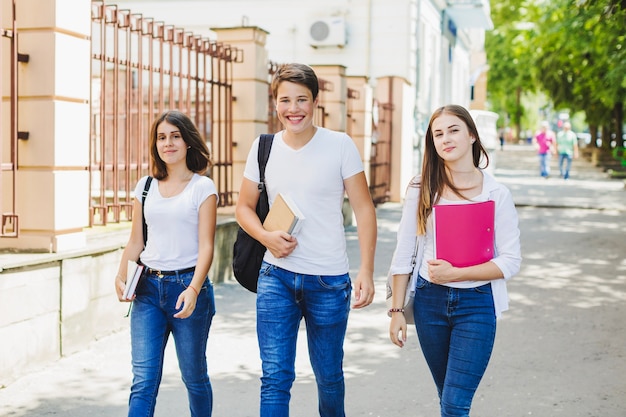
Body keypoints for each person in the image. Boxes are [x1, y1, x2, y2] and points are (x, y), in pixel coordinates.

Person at [235, 63, 377, 417]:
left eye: (301, 99)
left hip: (328, 280)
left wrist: (367, 271)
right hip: (276, 277)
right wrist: (267, 237)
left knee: (328, 376)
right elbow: (243, 208)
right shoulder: (263, 148)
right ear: (274, 103)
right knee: (275, 377)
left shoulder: (340, 145)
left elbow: (364, 209)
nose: (293, 108)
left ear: (315, 101)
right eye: (285, 100)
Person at [388, 104, 522, 416]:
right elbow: (404, 252)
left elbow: (511, 261)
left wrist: (456, 274)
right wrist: (395, 310)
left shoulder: (496, 194)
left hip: (477, 304)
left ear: (472, 135)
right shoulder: (422, 189)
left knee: (454, 404)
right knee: (446, 395)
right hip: (428, 303)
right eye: (438, 133)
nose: (445, 138)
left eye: (454, 130)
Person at [114, 110, 218, 417]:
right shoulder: (145, 187)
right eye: (161, 137)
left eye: (175, 136)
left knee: (194, 377)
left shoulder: (203, 187)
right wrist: (121, 277)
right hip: (147, 291)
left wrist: (195, 289)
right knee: (143, 381)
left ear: (187, 142)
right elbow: (136, 241)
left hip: (187, 289)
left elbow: (207, 246)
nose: (168, 143)